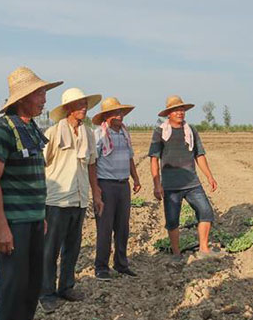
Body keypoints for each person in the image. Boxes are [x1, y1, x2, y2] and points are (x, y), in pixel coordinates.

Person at [0, 67, 62, 320]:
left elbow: (37, 178)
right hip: (11, 224)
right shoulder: (0, 131)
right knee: (12, 290)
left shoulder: (31, 129)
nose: (44, 99)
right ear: (23, 98)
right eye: (40, 94)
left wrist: (40, 215)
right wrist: (0, 225)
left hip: (31, 221)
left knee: (31, 285)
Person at [39, 88, 102, 312]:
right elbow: (41, 163)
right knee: (50, 249)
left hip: (79, 198)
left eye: (85, 103)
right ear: (67, 109)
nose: (83, 108)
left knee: (72, 248)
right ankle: (46, 293)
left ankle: (66, 286)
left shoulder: (89, 133)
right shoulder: (53, 133)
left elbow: (92, 164)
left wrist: (96, 193)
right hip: (57, 199)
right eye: (79, 104)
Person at [149, 95, 218, 259]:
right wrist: (157, 184)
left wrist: (209, 176)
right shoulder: (160, 132)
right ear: (169, 114)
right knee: (172, 221)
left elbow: (199, 155)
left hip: (192, 183)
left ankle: (204, 248)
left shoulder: (191, 131)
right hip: (171, 186)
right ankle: (176, 253)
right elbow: (154, 159)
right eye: (176, 110)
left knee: (206, 212)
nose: (180, 112)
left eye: (182, 109)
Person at [92, 97, 141, 280]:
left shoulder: (124, 134)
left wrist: (135, 178)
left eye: (121, 113)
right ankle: (101, 267)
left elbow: (130, 158)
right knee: (104, 228)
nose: (119, 116)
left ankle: (121, 263)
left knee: (122, 227)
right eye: (115, 113)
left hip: (123, 185)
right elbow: (93, 162)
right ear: (107, 116)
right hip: (106, 185)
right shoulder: (99, 134)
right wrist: (95, 188)